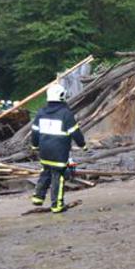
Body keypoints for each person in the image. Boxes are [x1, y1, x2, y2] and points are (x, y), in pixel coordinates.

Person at [30, 84, 87, 213]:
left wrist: (34, 145)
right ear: (62, 96)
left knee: (45, 172)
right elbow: (75, 133)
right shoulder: (65, 113)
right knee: (58, 176)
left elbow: (35, 132)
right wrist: (83, 145)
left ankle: (38, 197)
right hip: (59, 152)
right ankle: (57, 205)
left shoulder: (41, 112)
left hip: (44, 151)